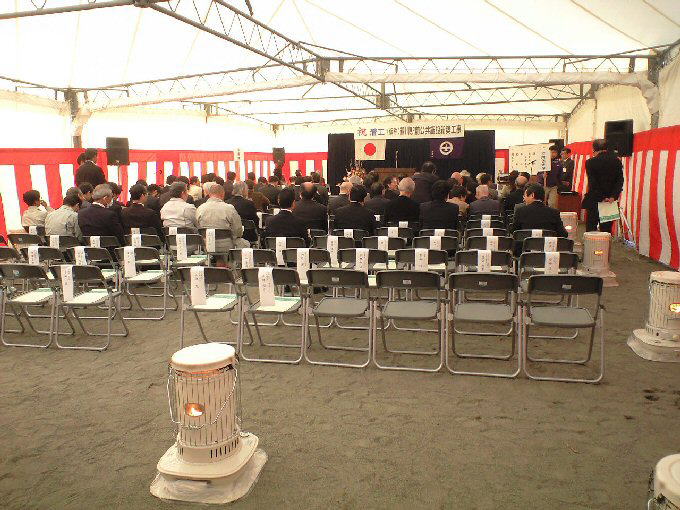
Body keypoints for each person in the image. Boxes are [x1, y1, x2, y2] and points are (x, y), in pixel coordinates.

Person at [583, 139, 624, 233]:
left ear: (594, 149)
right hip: (610, 201)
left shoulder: (590, 162)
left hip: (595, 200)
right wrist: (613, 196)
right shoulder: (617, 161)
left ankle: (591, 243)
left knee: (591, 229)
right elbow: (620, 181)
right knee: (606, 230)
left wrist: (602, 197)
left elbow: (593, 183)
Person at [196, 183, 250, 251]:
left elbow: (197, 227)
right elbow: (238, 231)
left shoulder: (200, 208)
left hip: (206, 245)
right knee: (246, 243)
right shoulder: (229, 208)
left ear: (209, 194)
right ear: (223, 194)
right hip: (226, 245)